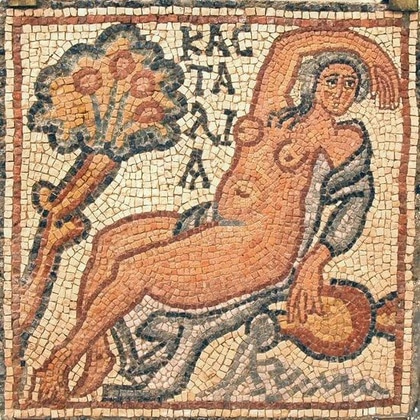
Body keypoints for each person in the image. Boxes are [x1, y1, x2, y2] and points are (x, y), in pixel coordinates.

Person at [31, 28, 399, 404]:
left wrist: (314, 261)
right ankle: (99, 354)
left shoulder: (345, 139)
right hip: (214, 220)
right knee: (110, 243)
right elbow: (286, 46)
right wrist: (368, 51)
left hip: (260, 245)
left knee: (134, 270)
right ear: (313, 81)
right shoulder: (274, 110)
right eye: (331, 80)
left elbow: (356, 202)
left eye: (351, 84)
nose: (339, 91)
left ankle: (62, 359)